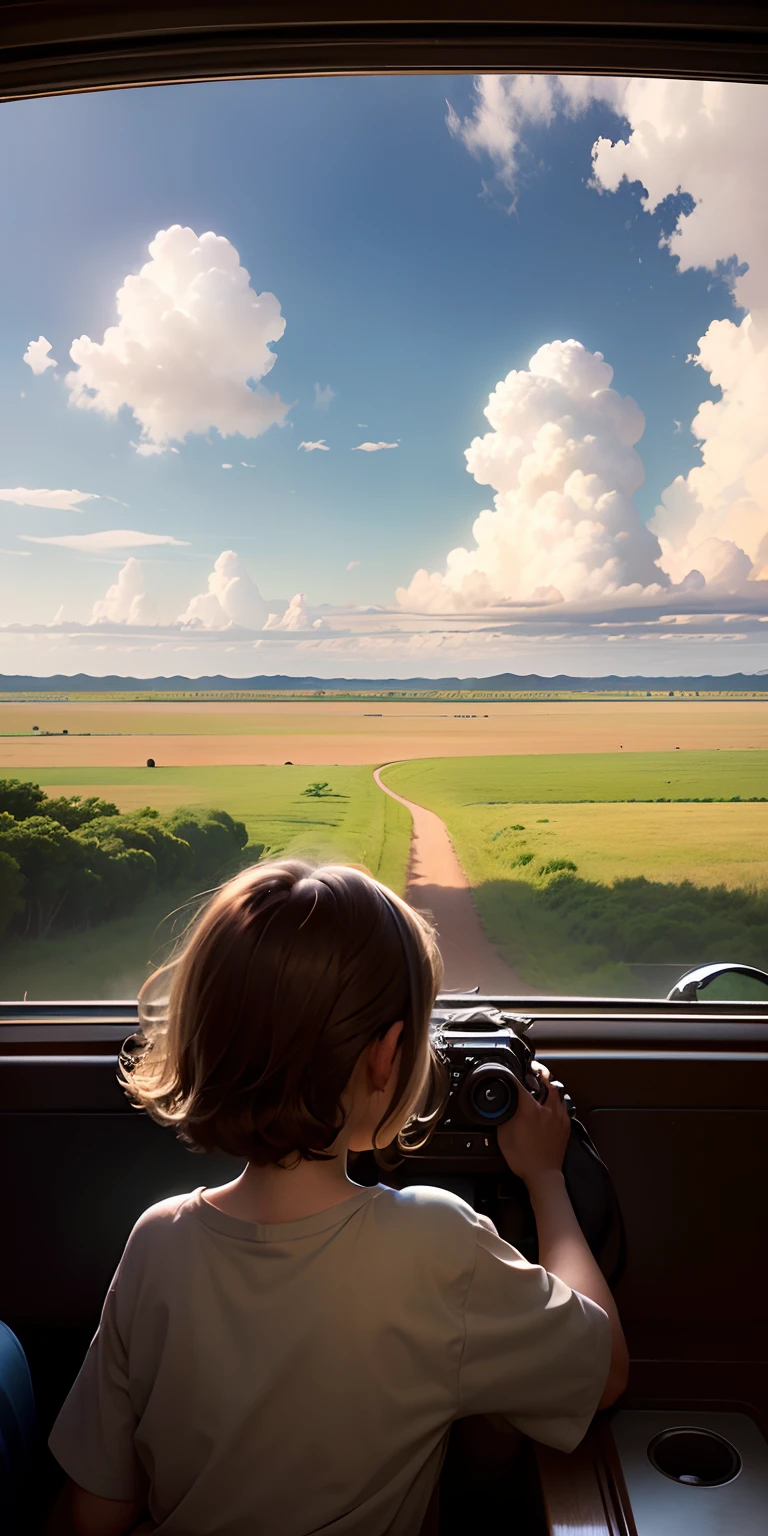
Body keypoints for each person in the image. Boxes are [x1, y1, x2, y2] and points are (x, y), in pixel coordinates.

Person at [45, 860, 628, 1536]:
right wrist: (547, 1179)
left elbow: (93, 1512)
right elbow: (606, 1369)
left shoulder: (156, 1243)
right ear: (387, 1056)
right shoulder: (436, 1243)